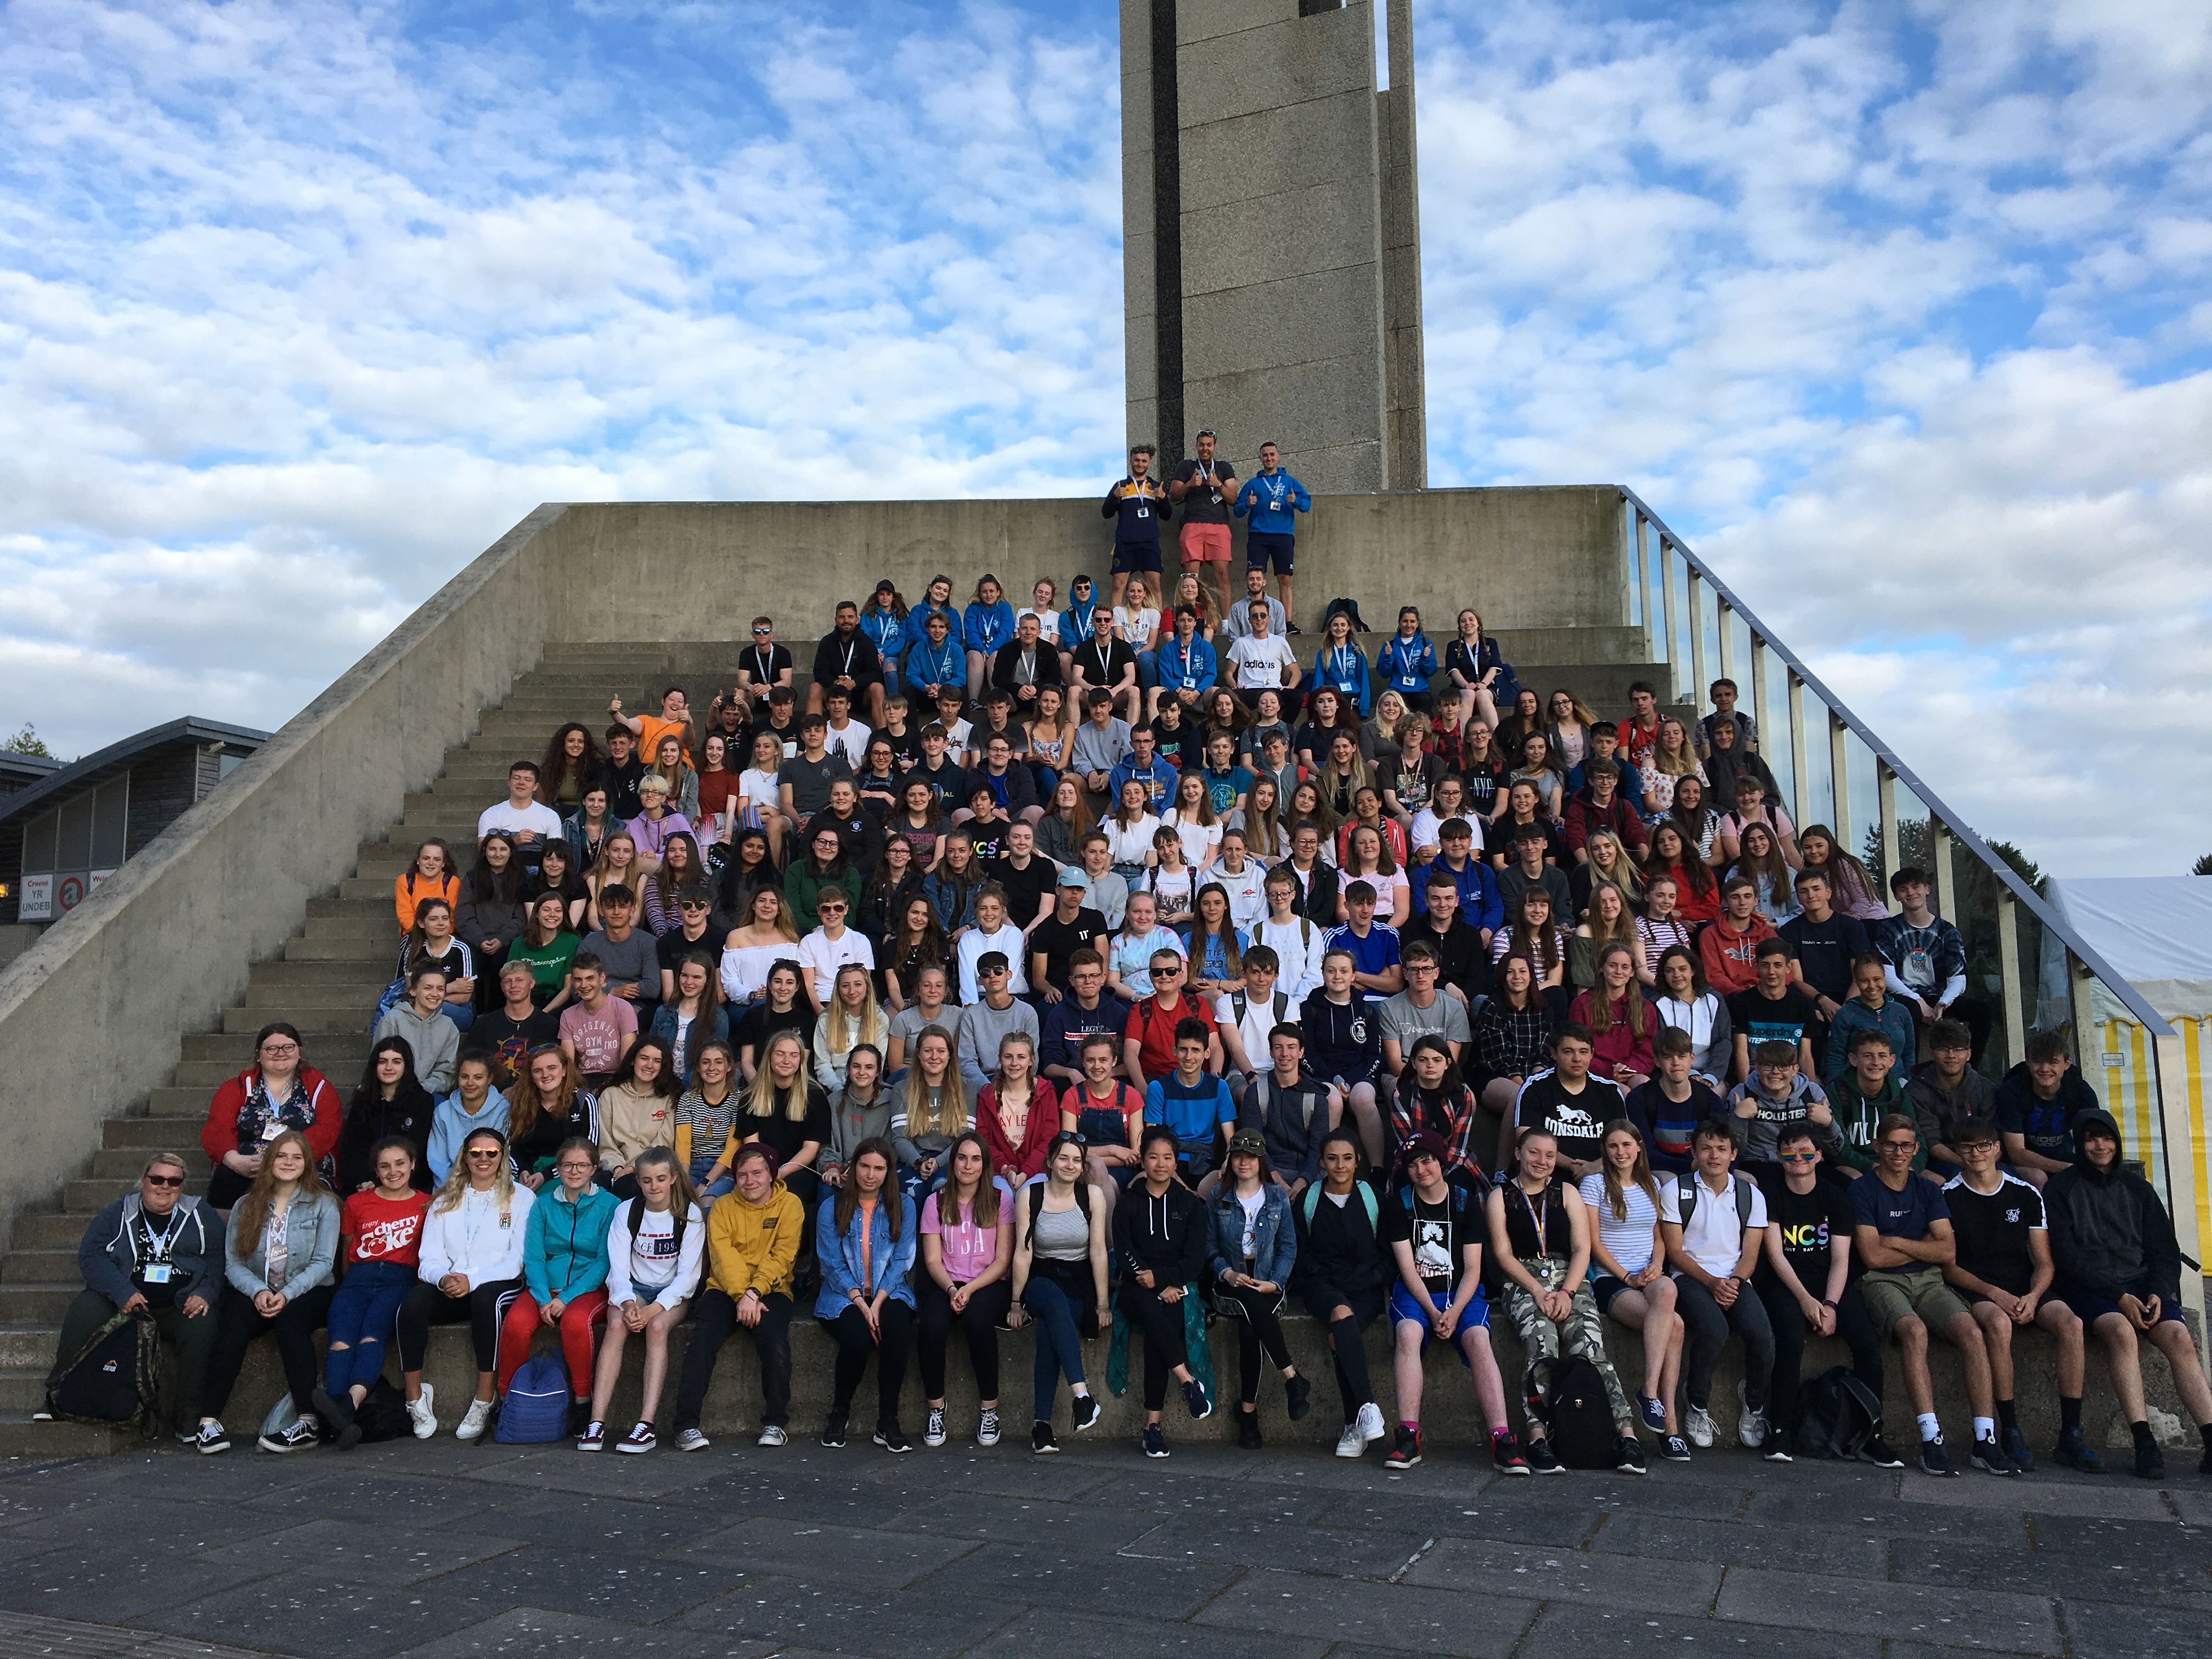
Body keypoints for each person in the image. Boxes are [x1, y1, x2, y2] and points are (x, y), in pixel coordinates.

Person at [2045, 1107, 2212, 1480]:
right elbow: (2067, 1258)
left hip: (2142, 1284)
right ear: (2078, 1144)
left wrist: (2157, 1292)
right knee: (2122, 1333)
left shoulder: (2138, 1189)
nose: (2100, 1146)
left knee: (2180, 1338)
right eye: (2091, 1139)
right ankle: (2144, 1441)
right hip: (2090, 1287)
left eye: (2106, 1138)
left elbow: (2164, 1251)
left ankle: (2210, 1437)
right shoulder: (2060, 1189)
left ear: (2117, 1142)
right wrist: (2118, 1295)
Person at [1491, 1127, 1644, 1473]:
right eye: (1534, 1153)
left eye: (1549, 1155)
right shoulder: (1501, 1196)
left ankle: (1626, 1436)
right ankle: (1538, 1438)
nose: (1542, 1161)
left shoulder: (1568, 1192)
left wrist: (1568, 1292)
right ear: (1518, 1154)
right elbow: (1503, 1254)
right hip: (1524, 1279)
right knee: (1542, 1343)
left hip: (1569, 1278)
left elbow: (1582, 1248)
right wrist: (1538, 1291)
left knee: (1590, 1347)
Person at [1938, 1116, 2086, 1474]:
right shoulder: (1947, 1196)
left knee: (2072, 1324)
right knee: (1999, 1324)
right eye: (1967, 1148)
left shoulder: (2026, 1192)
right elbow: (1949, 1267)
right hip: (1978, 1288)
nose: (1976, 1154)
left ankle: (2072, 1433)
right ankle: (2011, 1429)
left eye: (1983, 1146)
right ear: (1958, 1153)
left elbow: (2044, 1262)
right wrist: (1995, 1294)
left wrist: (2034, 1296)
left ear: (1998, 1149)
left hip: (2024, 1286)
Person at [1850, 1113, 1995, 1475]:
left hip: (1929, 1280)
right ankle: (1932, 1438)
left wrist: (1896, 1241)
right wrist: (1923, 1246)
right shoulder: (1862, 1189)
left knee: (1972, 1332)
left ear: (1917, 1149)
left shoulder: (1928, 1189)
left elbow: (1947, 1251)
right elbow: (1872, 1257)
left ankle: (1985, 1438)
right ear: (1877, 1146)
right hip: (1881, 1281)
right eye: (1891, 1145)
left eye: (1906, 1146)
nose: (1898, 1153)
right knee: (1914, 1332)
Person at [183, 1130, 342, 1454]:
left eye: (297, 1157)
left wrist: (287, 1294)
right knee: (233, 1323)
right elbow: (233, 1264)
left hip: (308, 1290)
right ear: (269, 1161)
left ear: (307, 1163)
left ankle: (307, 1422)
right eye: (281, 1156)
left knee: (291, 1321)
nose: (289, 1162)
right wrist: (258, 1292)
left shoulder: (324, 1204)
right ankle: (208, 1422)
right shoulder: (246, 1205)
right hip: (256, 1287)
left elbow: (324, 1263)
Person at [49, 1153, 222, 1446]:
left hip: (177, 1303)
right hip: (127, 1302)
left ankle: (188, 1413)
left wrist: (205, 1293)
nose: (164, 1187)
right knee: (86, 1308)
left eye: (174, 1181)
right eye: (157, 1179)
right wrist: (122, 1292)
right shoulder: (118, 1213)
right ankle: (58, 1391)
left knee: (204, 1324)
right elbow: (92, 1256)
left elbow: (218, 1258)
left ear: (182, 1186)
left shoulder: (201, 1214)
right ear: (143, 1181)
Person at [1381, 1132, 1526, 1473]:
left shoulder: (1465, 1201)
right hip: (1417, 1291)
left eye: (1427, 1161)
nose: (1421, 1170)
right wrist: (1434, 1313)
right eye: (1413, 1165)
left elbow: (1473, 1268)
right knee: (1408, 1334)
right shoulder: (1399, 1204)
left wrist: (1455, 1310)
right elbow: (1407, 1268)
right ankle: (1409, 1434)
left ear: (1442, 1162)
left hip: (1460, 1291)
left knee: (1478, 1338)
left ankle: (1502, 1438)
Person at [1752, 1123, 1895, 1465]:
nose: (1797, 1159)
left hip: (1829, 1282)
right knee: (1789, 1338)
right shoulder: (1770, 1194)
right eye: (1789, 1153)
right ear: (1779, 1157)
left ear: (1818, 1156)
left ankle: (1872, 1434)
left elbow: (1840, 1259)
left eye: (1805, 1152)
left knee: (1867, 1342)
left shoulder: (1836, 1195)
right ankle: (1781, 1430)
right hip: (1786, 1283)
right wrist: (1806, 1300)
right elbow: (1776, 1255)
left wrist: (1830, 1305)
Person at [1659, 1116, 1775, 1455]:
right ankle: (1697, 1401)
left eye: (1722, 1149)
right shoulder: (1676, 1190)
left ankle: (1754, 1403)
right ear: (1694, 1152)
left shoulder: (1750, 1195)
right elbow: (1675, 1252)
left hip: (1735, 1278)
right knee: (1714, 1330)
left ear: (1734, 1154)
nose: (1714, 1156)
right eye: (1706, 1148)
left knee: (1763, 1336)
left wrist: (1734, 1282)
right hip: (1691, 1277)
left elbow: (1750, 1254)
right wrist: (1712, 1283)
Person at [577, 1148, 702, 1453]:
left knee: (657, 1328)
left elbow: (688, 1278)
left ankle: (646, 1425)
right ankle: (596, 1422)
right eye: (647, 1180)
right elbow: (618, 1269)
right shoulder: (627, 1212)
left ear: (674, 1178)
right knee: (616, 1326)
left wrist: (653, 1310)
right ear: (638, 1182)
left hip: (671, 1292)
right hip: (634, 1288)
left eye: (661, 1179)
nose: (654, 1186)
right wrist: (629, 1304)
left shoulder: (690, 1215)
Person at [1581, 1120, 1689, 1459]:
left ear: (1639, 1147)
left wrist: (1656, 1265)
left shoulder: (1651, 1184)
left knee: (1668, 1289)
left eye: (1627, 1145)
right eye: (1613, 1146)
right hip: (1611, 1277)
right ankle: (1670, 1429)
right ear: (1605, 1150)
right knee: (1676, 1326)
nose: (1620, 1152)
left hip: (1648, 1271)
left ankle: (1649, 1391)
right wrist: (1627, 1277)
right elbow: (1593, 1243)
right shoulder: (1594, 1184)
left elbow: (1659, 1237)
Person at [811, 1138, 917, 1452]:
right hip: (843, 1294)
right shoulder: (831, 1207)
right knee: (858, 1340)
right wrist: (861, 1303)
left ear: (889, 1172)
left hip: (890, 1291)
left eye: (879, 1168)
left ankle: (888, 1421)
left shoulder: (904, 1205)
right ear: (853, 1167)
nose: (871, 1175)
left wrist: (878, 1302)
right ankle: (839, 1412)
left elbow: (903, 1260)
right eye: (865, 1166)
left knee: (896, 1331)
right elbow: (831, 1264)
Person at [1205, 1131, 1310, 1448]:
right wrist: (1227, 1273)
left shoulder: (1277, 1197)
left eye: (1251, 1157)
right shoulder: (1217, 1196)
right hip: (1229, 1282)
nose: (1244, 1162)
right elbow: (1208, 1246)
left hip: (1267, 1277)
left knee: (1251, 1330)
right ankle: (1292, 1377)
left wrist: (1276, 1282)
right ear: (1230, 1160)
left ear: (1261, 1160)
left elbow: (1288, 1247)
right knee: (1251, 1305)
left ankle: (1247, 1414)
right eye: (1238, 1156)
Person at [502, 1137, 615, 1429]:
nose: (574, 1171)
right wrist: (543, 1298)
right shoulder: (543, 1205)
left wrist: (565, 1298)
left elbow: (604, 1262)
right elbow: (534, 1257)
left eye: (582, 1165)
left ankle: (582, 1401)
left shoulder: (610, 1205)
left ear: (594, 1169)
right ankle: (507, 1400)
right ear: (559, 1168)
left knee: (575, 1322)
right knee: (516, 1325)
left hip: (588, 1287)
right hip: (546, 1286)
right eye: (567, 1165)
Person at [1113, 1127, 1214, 1455]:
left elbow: (1195, 1259)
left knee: (1161, 1326)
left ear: (1176, 1162)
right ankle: (1187, 1381)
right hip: (1135, 1286)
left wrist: (1165, 1280)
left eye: (1167, 1158)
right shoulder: (1128, 1203)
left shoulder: (1189, 1204)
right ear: (1143, 1161)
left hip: (1176, 1285)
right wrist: (1154, 1283)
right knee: (1149, 1308)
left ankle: (1152, 1427)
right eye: (1153, 1157)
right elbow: (1124, 1252)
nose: (1160, 1164)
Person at [916, 1131, 1016, 1449]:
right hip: (946, 1281)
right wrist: (950, 1289)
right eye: (962, 1158)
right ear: (953, 1162)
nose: (968, 1166)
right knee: (930, 1325)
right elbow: (932, 1259)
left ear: (985, 1165)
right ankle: (936, 1408)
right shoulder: (936, 1201)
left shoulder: (1000, 1200)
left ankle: (989, 1409)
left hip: (987, 1282)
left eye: (975, 1159)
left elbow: (1002, 1261)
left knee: (977, 1320)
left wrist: (970, 1289)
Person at [201, 1023, 340, 1212]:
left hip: (303, 1161)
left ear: (299, 1052)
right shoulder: (235, 1088)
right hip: (249, 1164)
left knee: (315, 1191)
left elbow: (328, 1128)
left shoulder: (320, 1088)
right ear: (259, 1055)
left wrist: (287, 1158)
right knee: (226, 1181)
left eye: (288, 1047)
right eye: (272, 1048)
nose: (280, 1053)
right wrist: (235, 1161)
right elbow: (218, 1128)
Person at [1300, 949, 1384, 1166]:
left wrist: (1350, 1080)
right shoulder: (1308, 1009)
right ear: (1323, 974)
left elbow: (1374, 1055)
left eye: (1344, 971)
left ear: (1353, 976)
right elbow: (1307, 1054)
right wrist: (1335, 1079)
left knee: (1363, 1099)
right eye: (1331, 971)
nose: (1338, 976)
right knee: (1333, 1100)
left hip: (1359, 1074)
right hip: (1321, 1074)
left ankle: (1378, 1169)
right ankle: (1321, 1168)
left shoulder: (1367, 1011)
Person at [1871, 866, 1969, 1048]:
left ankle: (1971, 1063)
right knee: (1908, 1010)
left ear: (1927, 889)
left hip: (1939, 996)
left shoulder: (1948, 931)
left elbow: (1958, 977)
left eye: (1916, 887)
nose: (1910, 893)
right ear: (1896, 896)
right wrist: (1917, 1000)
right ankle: (1911, 1066)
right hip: (1904, 995)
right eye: (1903, 889)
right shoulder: (1888, 929)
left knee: (1982, 1011)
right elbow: (1886, 974)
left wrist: (1944, 1003)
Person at [1510, 1023, 1622, 1181]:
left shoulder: (1609, 1091)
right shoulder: (1535, 1087)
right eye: (1568, 1052)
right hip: (1545, 1173)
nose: (1577, 1059)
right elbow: (1526, 1139)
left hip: (1599, 1175)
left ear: (1592, 1054)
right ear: (1554, 1054)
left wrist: (1595, 1166)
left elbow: (1624, 1141)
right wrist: (1572, 1165)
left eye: (1583, 1052)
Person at [1995, 1030, 2103, 1189]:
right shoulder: (2010, 1092)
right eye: (2037, 1062)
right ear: (2028, 1063)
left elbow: (2095, 1139)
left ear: (2067, 1064)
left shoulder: (2082, 1092)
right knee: (2038, 1178)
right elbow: (2017, 1153)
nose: (2045, 1069)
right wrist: (2067, 1169)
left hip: (2066, 1157)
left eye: (2053, 1062)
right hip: (2019, 1165)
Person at [1906, 1018, 1995, 1177]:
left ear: (1969, 1054)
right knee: (1958, 1178)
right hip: (1941, 1161)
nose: (1951, 1055)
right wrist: (1965, 1164)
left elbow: (1995, 1136)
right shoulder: (1916, 1090)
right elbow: (1931, 1142)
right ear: (1931, 1053)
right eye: (1944, 1049)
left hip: (1983, 1157)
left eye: (1959, 1050)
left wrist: (1983, 1162)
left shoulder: (1985, 1088)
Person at [594, 1036, 681, 1196]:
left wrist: (633, 1168)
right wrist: (618, 1168)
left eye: (657, 1061)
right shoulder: (610, 1095)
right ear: (633, 1060)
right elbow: (606, 1144)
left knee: (629, 1186)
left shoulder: (669, 1100)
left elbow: (663, 1144)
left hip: (650, 1170)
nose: (650, 1065)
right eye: (644, 1058)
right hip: (612, 1168)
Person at [1233, 441, 1310, 622]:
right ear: (1260, 459)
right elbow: (1237, 511)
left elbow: (1307, 505)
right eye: (1265, 455)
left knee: (1285, 579)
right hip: (1258, 536)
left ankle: (1287, 622)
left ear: (1278, 456)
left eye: (1272, 455)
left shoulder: (1290, 482)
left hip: (1283, 535)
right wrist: (1247, 504)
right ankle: (1255, 619)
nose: (1269, 458)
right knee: (1255, 578)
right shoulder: (1253, 484)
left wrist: (1296, 501)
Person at [1825, 952, 1918, 1093]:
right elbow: (1835, 1057)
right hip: (1857, 1086)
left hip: (1898, 1083)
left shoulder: (1901, 1012)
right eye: (1865, 981)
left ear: (1885, 978)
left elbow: (1909, 1055)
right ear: (1857, 982)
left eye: (1877, 979)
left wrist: (1909, 1085)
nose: (1872, 986)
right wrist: (1836, 1091)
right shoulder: (1846, 1015)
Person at [1567, 944, 1655, 1091]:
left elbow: (1648, 1050)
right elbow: (1577, 1048)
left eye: (1625, 967)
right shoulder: (1582, 1004)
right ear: (1602, 968)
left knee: (1644, 1085)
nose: (1618, 972)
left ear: (1632, 972)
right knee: (1622, 1092)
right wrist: (1609, 1072)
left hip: (1630, 1071)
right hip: (1594, 1073)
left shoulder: (1645, 1007)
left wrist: (1629, 1068)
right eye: (1613, 966)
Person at [558, 955, 637, 1091]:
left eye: (590, 979)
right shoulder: (568, 1015)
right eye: (578, 980)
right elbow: (568, 1063)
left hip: (615, 1078)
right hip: (584, 1080)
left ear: (602, 978)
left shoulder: (623, 1008)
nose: (584, 985)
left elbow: (626, 1061)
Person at [478, 760, 564, 870]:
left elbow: (556, 851)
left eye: (528, 780)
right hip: (504, 870)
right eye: (517, 778)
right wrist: (514, 842)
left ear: (536, 786)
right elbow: (482, 849)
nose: (521, 783)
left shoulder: (550, 815)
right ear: (509, 782)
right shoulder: (491, 814)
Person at [394, 838, 460, 937]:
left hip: (444, 935)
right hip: (414, 935)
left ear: (443, 863)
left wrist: (437, 936)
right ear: (418, 861)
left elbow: (452, 917)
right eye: (426, 858)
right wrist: (424, 936)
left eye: (437, 860)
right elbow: (405, 915)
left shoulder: (452, 882)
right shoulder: (405, 881)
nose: (431, 863)